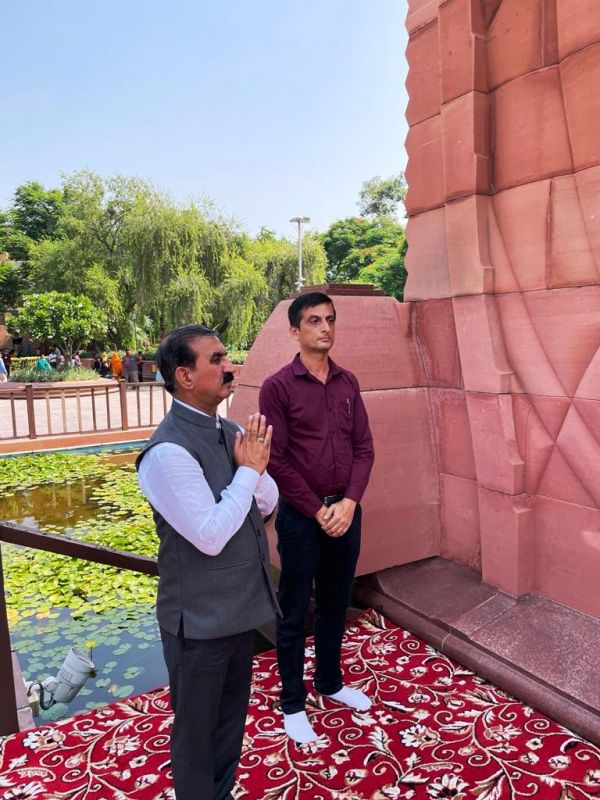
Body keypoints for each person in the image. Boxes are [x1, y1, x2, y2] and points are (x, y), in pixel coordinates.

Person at [136, 323, 279, 800]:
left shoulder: (231, 430)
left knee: (229, 726)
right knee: (197, 738)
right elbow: (212, 535)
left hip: (239, 612)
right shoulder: (168, 451)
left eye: (227, 357)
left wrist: (250, 476)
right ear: (184, 376)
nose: (229, 367)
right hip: (197, 625)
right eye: (215, 360)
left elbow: (265, 503)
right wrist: (250, 473)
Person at [259, 291, 375, 744]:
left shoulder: (348, 383)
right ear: (295, 331)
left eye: (329, 320)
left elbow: (364, 448)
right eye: (313, 321)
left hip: (346, 512)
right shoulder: (278, 386)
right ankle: (292, 701)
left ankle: (330, 682)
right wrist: (317, 509)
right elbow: (278, 459)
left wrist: (348, 503)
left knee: (334, 604)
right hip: (302, 518)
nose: (324, 328)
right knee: (293, 612)